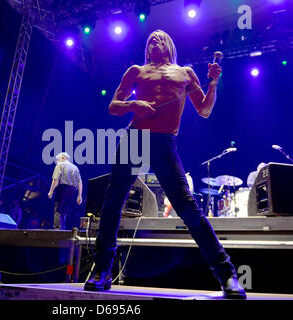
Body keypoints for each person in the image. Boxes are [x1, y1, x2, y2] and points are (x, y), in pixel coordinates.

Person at [84, 30, 246, 299]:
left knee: (188, 207)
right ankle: (101, 270)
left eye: (159, 38)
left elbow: (204, 110)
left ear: (170, 44)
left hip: (164, 142)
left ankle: (227, 274)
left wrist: (214, 83)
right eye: (149, 40)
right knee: (113, 202)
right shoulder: (135, 70)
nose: (154, 41)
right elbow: (113, 106)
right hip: (135, 137)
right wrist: (134, 104)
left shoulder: (186, 73)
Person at [48, 152, 83, 230]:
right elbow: (80, 182)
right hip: (72, 191)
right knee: (65, 211)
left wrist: (51, 191)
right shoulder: (75, 167)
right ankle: (63, 229)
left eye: (58, 159)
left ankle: (57, 229)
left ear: (63, 158)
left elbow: (55, 179)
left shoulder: (60, 165)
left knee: (58, 209)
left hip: (63, 188)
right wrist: (79, 195)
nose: (57, 161)